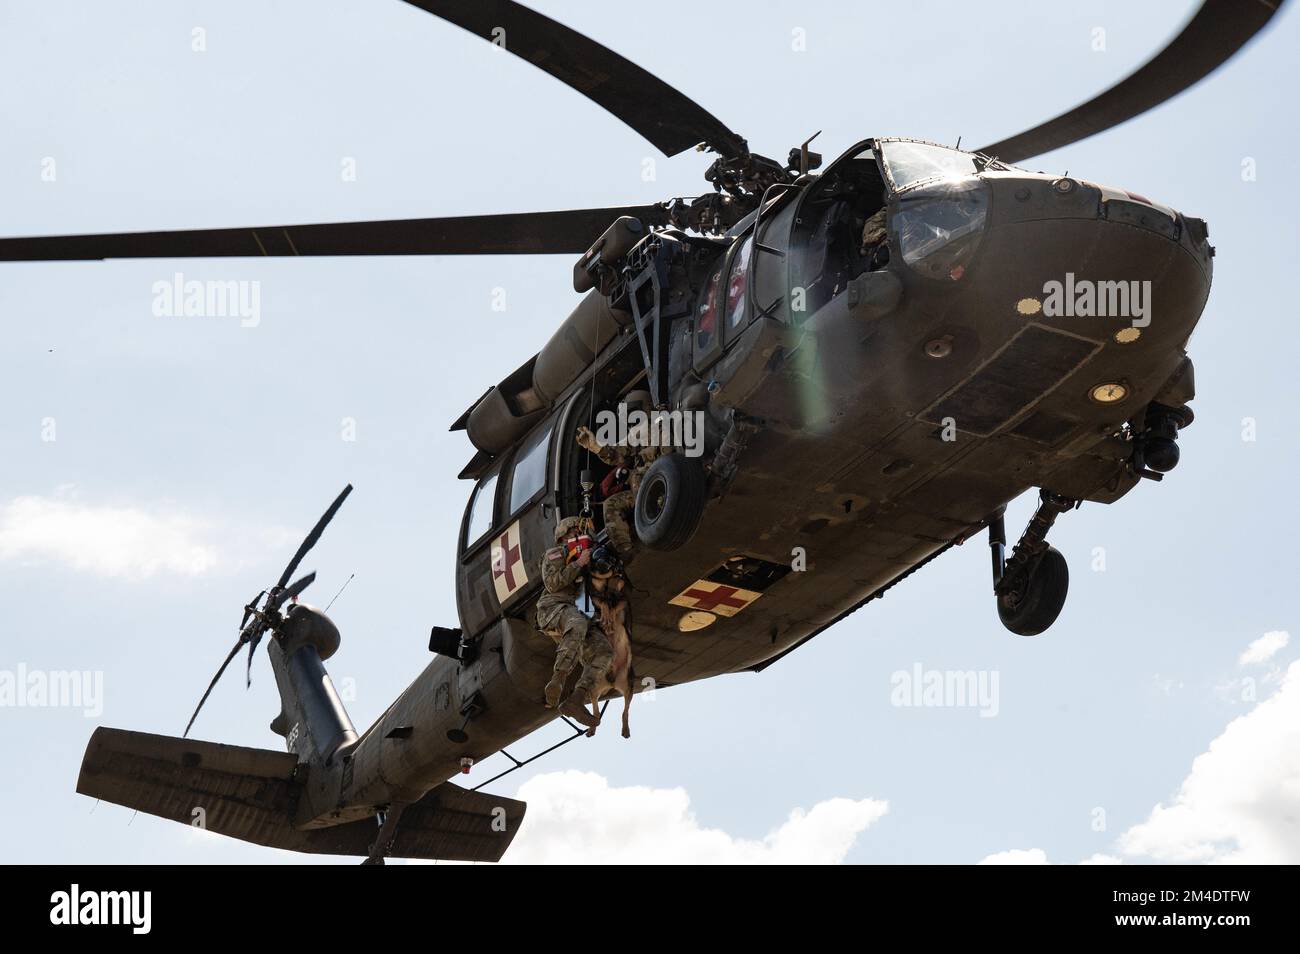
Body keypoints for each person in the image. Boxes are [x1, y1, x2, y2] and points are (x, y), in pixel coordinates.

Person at [536, 517, 613, 728]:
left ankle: (577, 700)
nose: (579, 534)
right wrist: (578, 564)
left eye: (581, 531)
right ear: (563, 536)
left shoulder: (590, 556)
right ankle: (558, 679)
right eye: (575, 532)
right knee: (577, 623)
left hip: (580, 611)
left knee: (604, 652)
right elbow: (552, 584)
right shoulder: (556, 554)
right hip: (553, 607)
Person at [575, 390, 665, 561]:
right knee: (610, 504)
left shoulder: (663, 429)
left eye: (634, 419)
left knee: (637, 477)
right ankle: (626, 552)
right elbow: (617, 454)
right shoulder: (635, 438)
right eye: (628, 421)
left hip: (666, 484)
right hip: (643, 491)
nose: (631, 425)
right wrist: (595, 447)